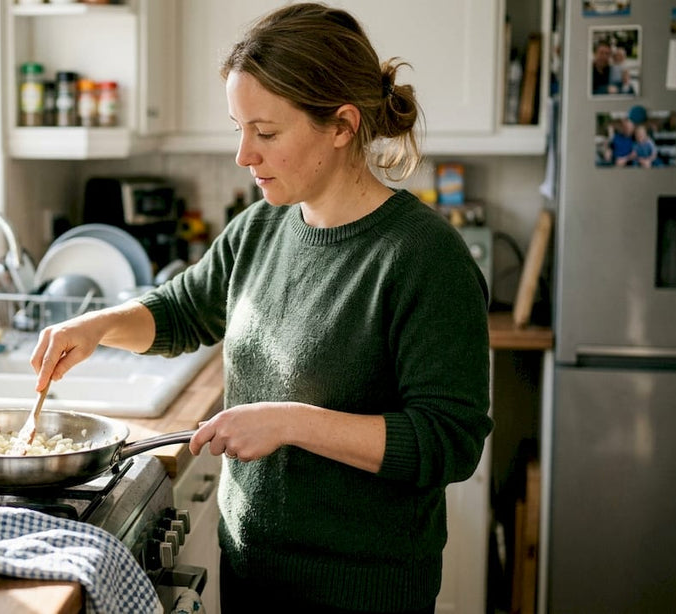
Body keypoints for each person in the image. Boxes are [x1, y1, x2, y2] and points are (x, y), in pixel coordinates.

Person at [30, 3, 492, 613]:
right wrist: (98, 325)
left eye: (266, 132)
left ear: (343, 125)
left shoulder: (423, 257)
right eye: (238, 127)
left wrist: (290, 423)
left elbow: (448, 442)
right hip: (251, 572)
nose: (244, 155)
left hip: (362, 590)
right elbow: (182, 310)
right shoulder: (261, 228)